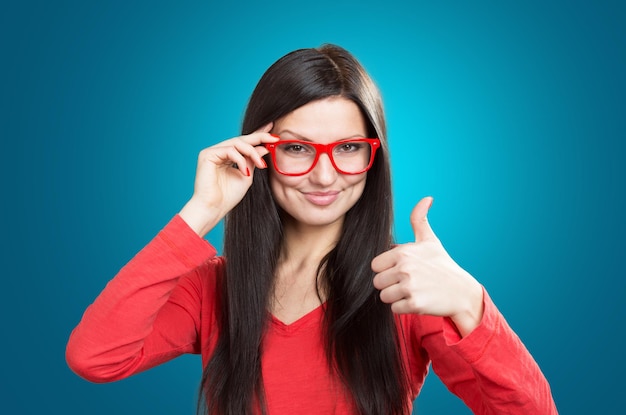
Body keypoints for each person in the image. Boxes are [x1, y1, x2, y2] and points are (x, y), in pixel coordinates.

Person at [66, 44, 558, 415]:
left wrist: (471, 302)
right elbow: (95, 357)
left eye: (347, 147)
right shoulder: (212, 286)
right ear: (260, 153)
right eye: (298, 148)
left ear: (373, 157)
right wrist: (202, 210)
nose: (325, 176)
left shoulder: (406, 285)